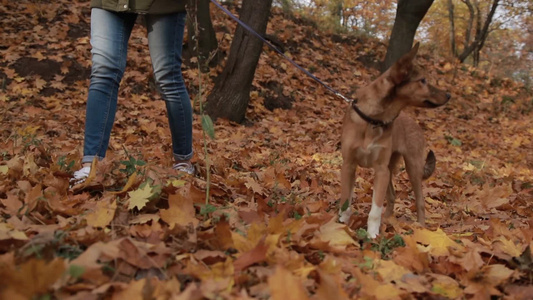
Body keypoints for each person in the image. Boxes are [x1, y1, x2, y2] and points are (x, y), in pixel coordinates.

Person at [71, 0, 194, 186]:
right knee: (103, 72)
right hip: (110, 3)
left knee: (168, 76)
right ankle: (91, 164)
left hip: (163, 4)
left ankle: (183, 161)